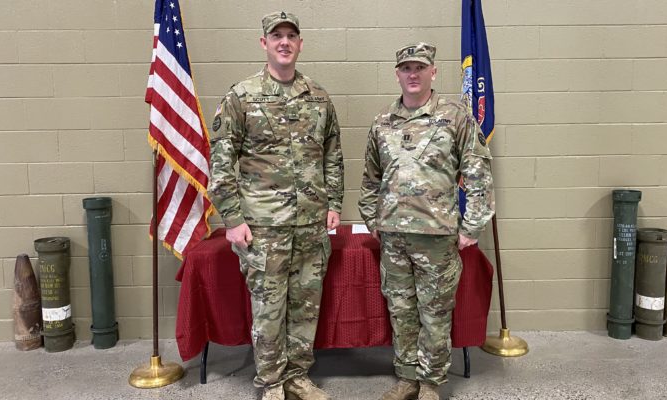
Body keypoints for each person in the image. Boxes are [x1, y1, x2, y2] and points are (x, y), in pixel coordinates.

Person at [208, 11, 344, 400]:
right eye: (276, 36)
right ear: (264, 43)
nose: (284, 42)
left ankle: (297, 376)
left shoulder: (318, 97)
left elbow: (332, 155)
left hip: (311, 224)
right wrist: (232, 218)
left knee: (305, 307)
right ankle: (271, 383)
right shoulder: (241, 97)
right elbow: (221, 162)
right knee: (269, 310)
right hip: (263, 226)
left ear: (300, 44)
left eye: (291, 36)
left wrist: (334, 202)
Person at [358, 42, 494, 400]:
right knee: (401, 310)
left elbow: (478, 172)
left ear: (433, 71)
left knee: (434, 313)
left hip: (436, 238)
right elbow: (371, 178)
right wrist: (373, 220)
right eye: (406, 68)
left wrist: (472, 226)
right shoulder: (383, 121)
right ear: (397, 74)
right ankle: (407, 378)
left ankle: (431, 383)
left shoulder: (455, 117)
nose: (413, 74)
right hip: (393, 237)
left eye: (420, 67)